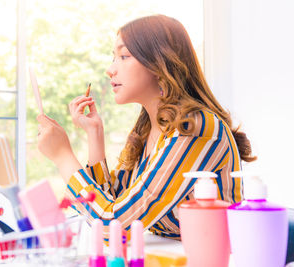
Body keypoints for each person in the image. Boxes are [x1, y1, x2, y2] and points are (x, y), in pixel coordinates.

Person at [36, 14, 256, 241]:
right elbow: (113, 201)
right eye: (114, 57)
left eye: (124, 56)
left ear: (159, 64)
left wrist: (63, 156)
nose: (110, 70)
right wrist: (95, 134)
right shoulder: (148, 129)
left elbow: (113, 226)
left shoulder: (194, 127)